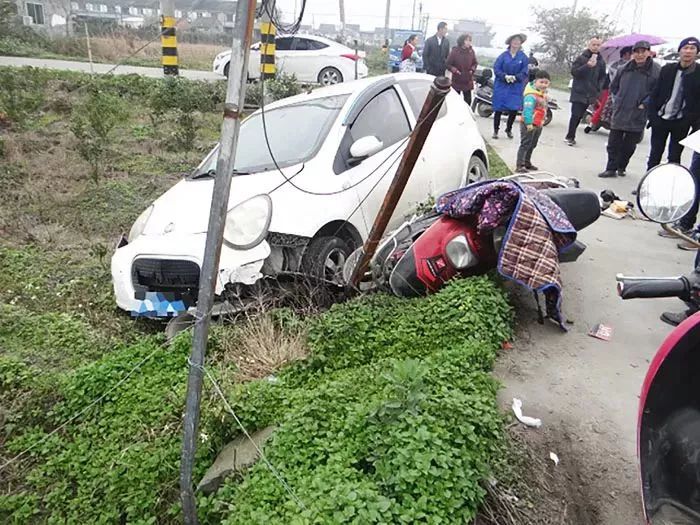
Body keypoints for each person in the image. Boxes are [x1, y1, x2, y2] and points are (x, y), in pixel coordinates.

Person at [598, 41, 660, 178]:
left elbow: (657, 91)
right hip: (621, 109)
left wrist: (645, 103)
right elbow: (613, 87)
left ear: (649, 53)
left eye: (643, 51)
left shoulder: (656, 70)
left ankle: (622, 166)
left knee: (629, 145)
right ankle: (610, 168)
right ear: (633, 53)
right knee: (613, 143)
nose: (639, 54)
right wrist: (617, 100)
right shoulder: (624, 68)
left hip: (638, 112)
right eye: (636, 51)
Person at [647, 37, 700, 171]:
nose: (688, 52)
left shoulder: (698, 73)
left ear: (697, 52)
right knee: (655, 154)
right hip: (661, 118)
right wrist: (652, 116)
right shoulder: (668, 69)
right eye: (685, 48)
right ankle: (646, 184)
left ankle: (671, 187)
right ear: (680, 51)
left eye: (692, 49)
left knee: (674, 157)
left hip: (681, 122)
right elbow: (655, 93)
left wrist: (692, 123)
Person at [565, 37, 606, 146]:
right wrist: (587, 66)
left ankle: (571, 134)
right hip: (579, 91)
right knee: (575, 115)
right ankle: (570, 136)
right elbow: (574, 72)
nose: (596, 47)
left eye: (598, 45)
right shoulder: (581, 58)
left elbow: (602, 77)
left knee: (582, 115)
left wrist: (598, 89)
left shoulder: (601, 61)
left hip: (591, 93)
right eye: (594, 44)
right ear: (589, 45)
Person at [492, 33, 529, 140]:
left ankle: (509, 129)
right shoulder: (503, 56)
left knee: (513, 108)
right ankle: (496, 130)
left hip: (515, 86)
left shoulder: (523, 57)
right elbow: (496, 68)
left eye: (518, 40)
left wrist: (516, 78)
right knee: (498, 108)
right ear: (510, 42)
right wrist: (504, 76)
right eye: (514, 40)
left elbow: (525, 71)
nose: (516, 42)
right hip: (502, 85)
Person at [516, 70, 551, 173]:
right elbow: (527, 110)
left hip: (539, 124)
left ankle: (527, 162)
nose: (544, 85)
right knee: (525, 144)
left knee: (533, 144)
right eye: (541, 82)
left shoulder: (542, 94)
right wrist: (528, 122)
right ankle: (520, 165)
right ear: (535, 82)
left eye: (546, 83)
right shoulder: (530, 95)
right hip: (529, 124)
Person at [446, 33, 478, 105]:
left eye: (470, 40)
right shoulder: (455, 51)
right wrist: (455, 70)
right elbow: (448, 64)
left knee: (468, 101)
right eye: (467, 40)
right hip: (457, 79)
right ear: (462, 41)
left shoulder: (471, 51)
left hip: (467, 80)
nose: (469, 42)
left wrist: (472, 70)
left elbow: (475, 63)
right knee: (455, 101)